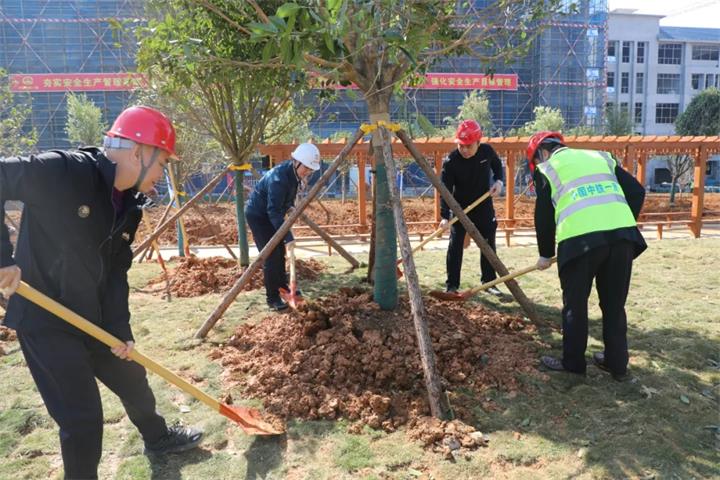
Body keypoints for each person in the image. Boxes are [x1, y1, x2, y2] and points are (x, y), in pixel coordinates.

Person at [0, 106, 203, 480]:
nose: (161, 175)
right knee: (82, 420)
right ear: (138, 152)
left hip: (91, 316)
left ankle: (158, 438)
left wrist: (119, 330)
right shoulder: (64, 171)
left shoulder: (128, 205)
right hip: (45, 319)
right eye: (162, 163)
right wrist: (2, 257)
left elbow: (115, 274)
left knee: (132, 377)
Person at [527, 131, 647, 381]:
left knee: (575, 304)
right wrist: (618, 222)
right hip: (622, 238)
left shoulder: (547, 168)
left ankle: (573, 364)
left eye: (535, 161)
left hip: (579, 242)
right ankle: (617, 365)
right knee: (614, 305)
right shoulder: (601, 157)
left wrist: (545, 254)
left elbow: (544, 217)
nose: (537, 165)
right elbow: (636, 192)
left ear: (542, 153)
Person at [245, 143, 321, 311]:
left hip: (271, 214)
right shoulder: (279, 179)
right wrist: (288, 237)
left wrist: (290, 207)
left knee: (280, 253)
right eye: (306, 168)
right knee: (271, 256)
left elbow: (285, 199)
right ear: (297, 161)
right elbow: (273, 210)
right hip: (259, 216)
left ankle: (283, 288)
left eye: (311, 169)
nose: (308, 172)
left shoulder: (293, 174)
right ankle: (272, 298)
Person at [440, 119, 504, 295]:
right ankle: (452, 285)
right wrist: (444, 216)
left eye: (469, 146)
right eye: (461, 146)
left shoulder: (487, 151)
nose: (465, 150)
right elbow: (445, 190)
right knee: (455, 245)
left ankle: (489, 283)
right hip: (459, 208)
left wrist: (499, 181)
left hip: (483, 205)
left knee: (488, 243)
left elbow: (497, 166)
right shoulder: (451, 161)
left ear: (478, 142)